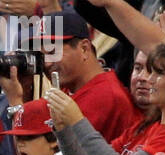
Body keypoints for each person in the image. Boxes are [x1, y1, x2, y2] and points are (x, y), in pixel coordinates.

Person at [41, 10, 140, 146]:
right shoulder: (69, 87)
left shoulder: (105, 97)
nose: (47, 63)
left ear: (84, 48)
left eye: (53, 52)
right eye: (42, 56)